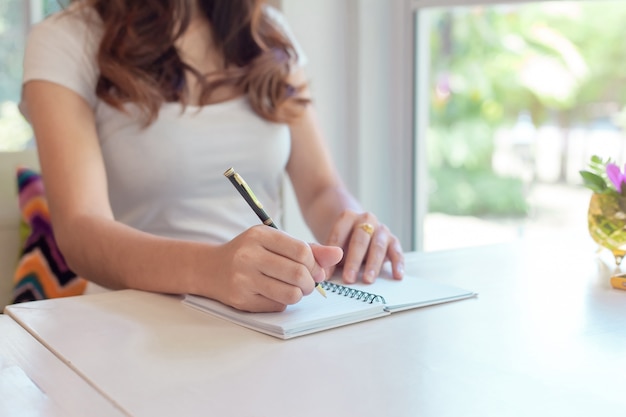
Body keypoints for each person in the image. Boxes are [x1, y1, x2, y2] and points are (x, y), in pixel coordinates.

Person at [20, 0, 404, 313]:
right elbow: (80, 232)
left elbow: (321, 188)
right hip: (132, 326)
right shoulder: (66, 39)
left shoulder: (267, 30)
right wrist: (212, 269)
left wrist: (352, 229)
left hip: (266, 322)